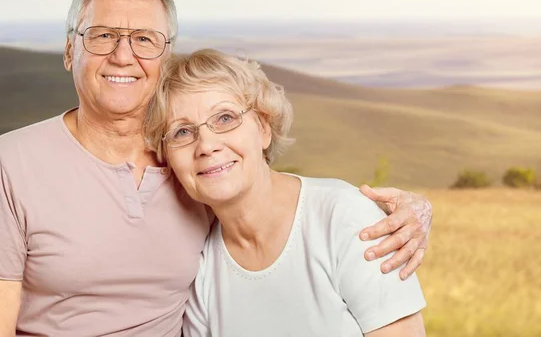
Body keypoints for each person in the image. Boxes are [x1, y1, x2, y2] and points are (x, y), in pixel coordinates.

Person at [0, 0, 432, 336]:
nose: (123, 55)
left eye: (144, 39)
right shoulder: (12, 163)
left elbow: (289, 208)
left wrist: (408, 212)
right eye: (103, 35)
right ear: (71, 50)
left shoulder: (198, 175)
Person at [144, 49, 427, 336]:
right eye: (181, 132)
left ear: (264, 129)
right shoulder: (202, 270)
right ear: (166, 157)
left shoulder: (346, 218)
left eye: (225, 118)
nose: (206, 145)